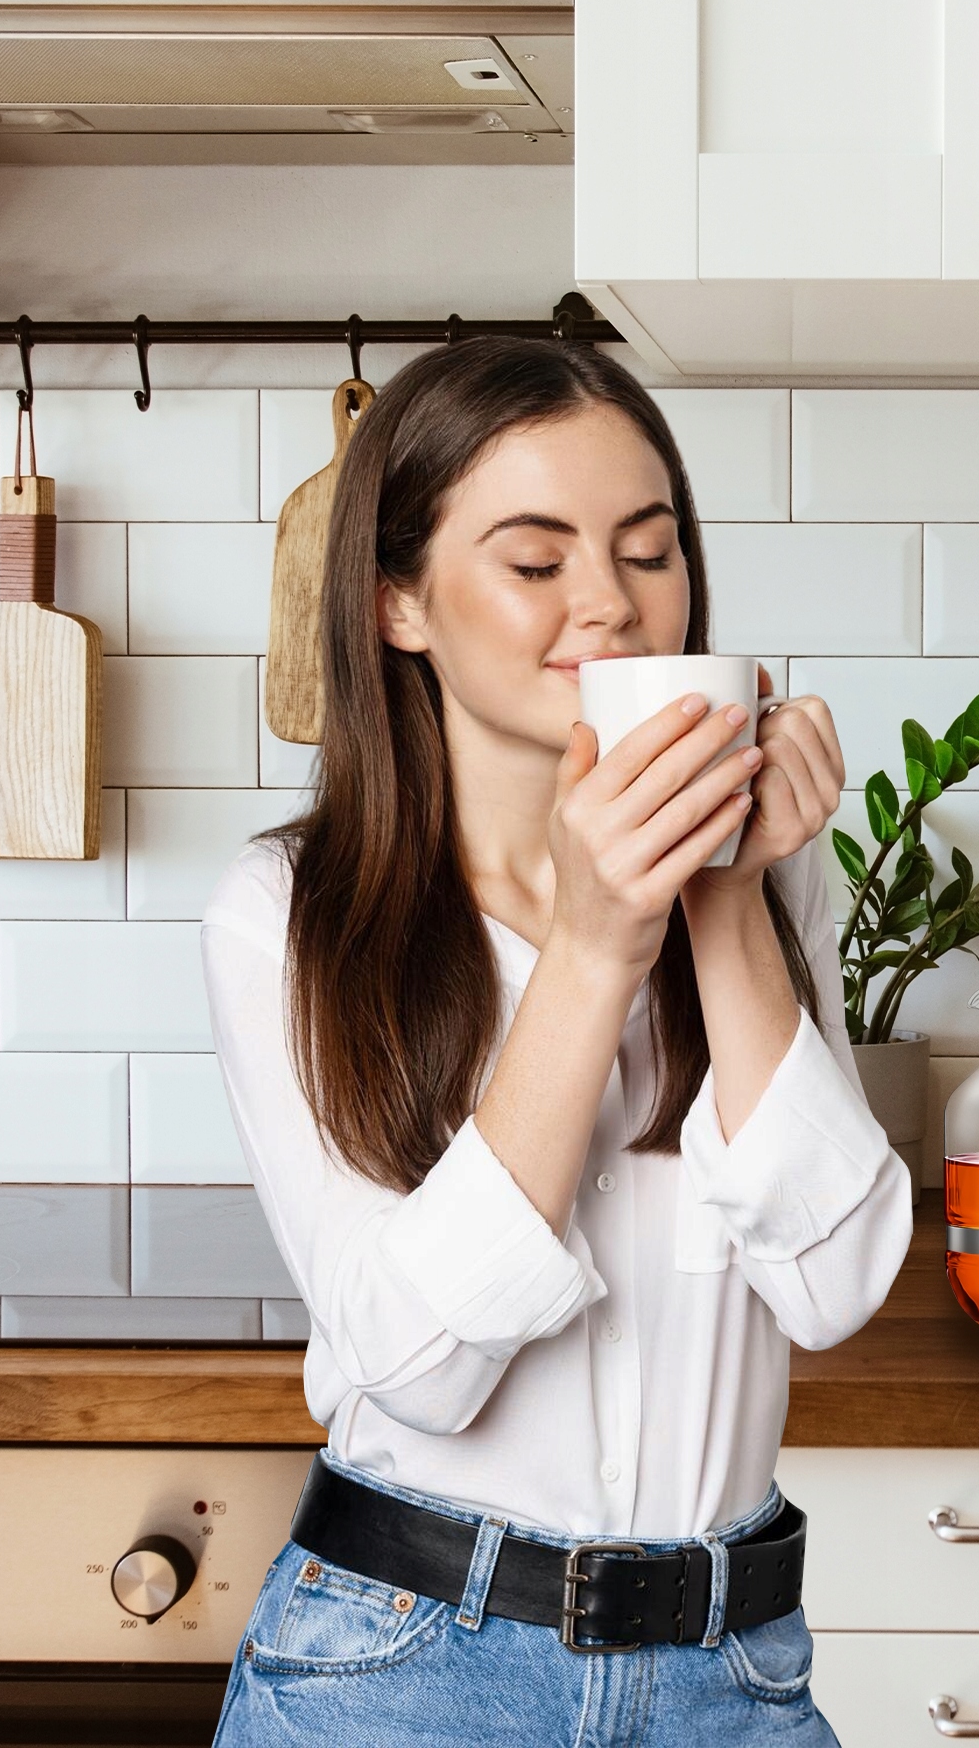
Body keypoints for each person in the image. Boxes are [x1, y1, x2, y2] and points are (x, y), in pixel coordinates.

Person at [203, 339, 913, 1744]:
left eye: (649, 552)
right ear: (400, 603)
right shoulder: (286, 915)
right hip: (400, 1672)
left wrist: (721, 893)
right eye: (537, 562)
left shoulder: (771, 884)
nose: (614, 604)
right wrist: (593, 953)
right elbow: (418, 1368)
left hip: (730, 1676)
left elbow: (833, 1286)